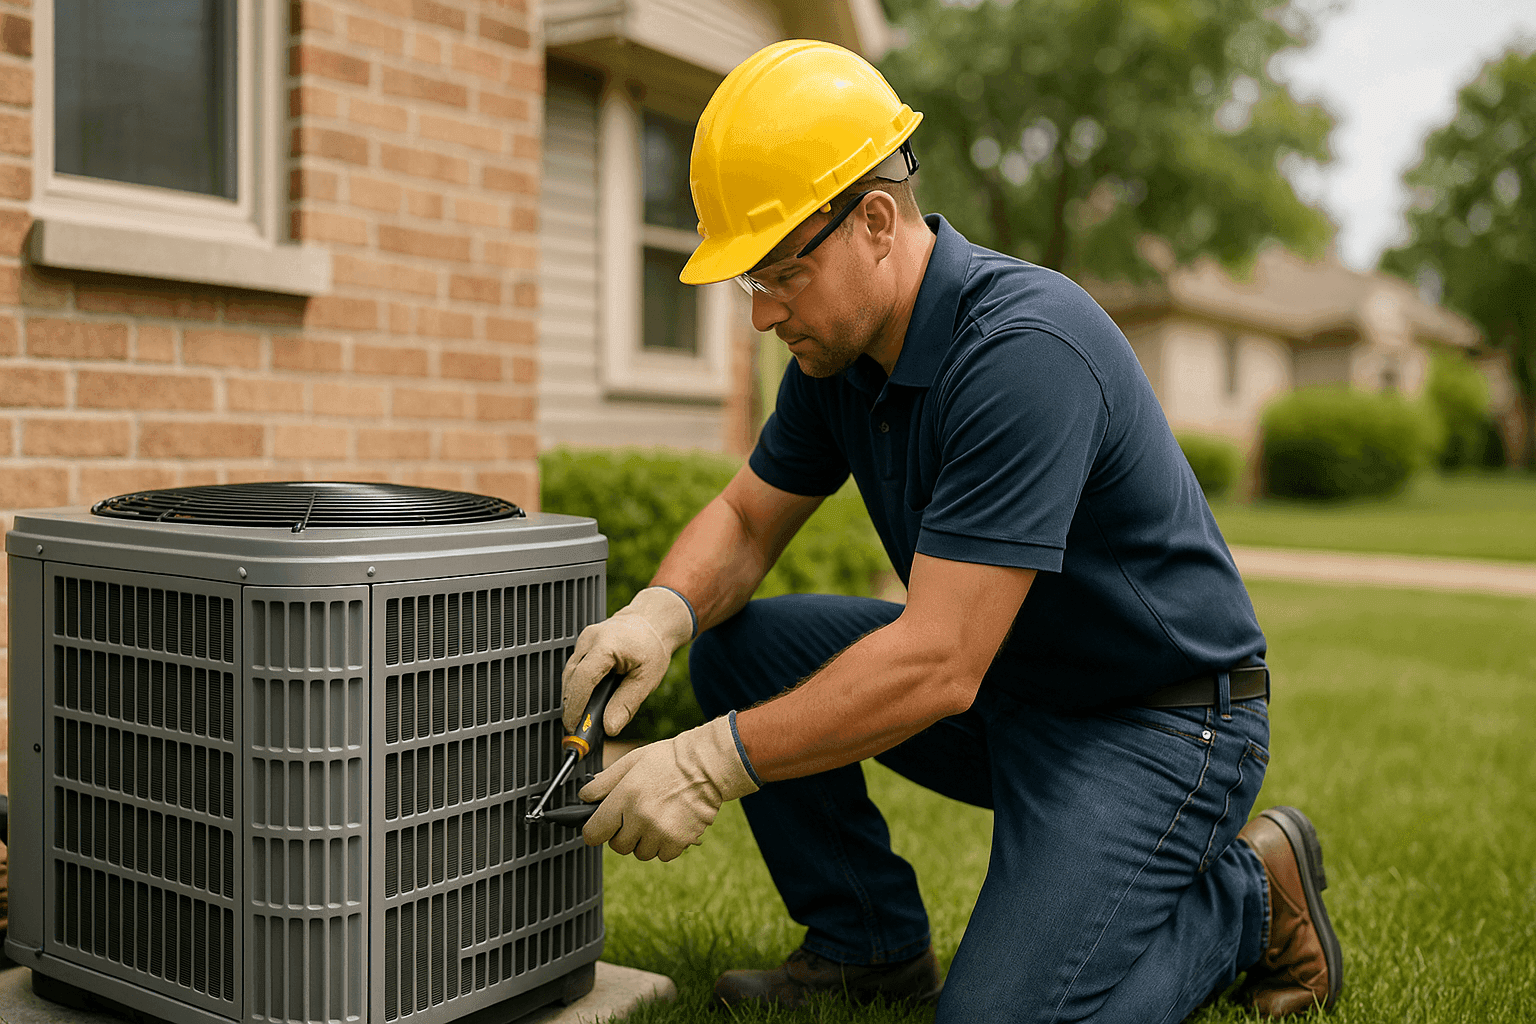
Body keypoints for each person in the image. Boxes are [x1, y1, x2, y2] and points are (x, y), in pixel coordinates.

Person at [561, 39, 1343, 1022]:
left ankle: (1249, 897)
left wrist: (708, 759)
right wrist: (663, 610)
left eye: (776, 272)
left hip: (1160, 722)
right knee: (741, 648)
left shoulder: (1024, 352)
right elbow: (746, 516)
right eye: (743, 282)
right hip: (1018, 690)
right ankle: (868, 947)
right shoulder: (836, 359)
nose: (760, 313)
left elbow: (936, 663)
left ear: (876, 222)